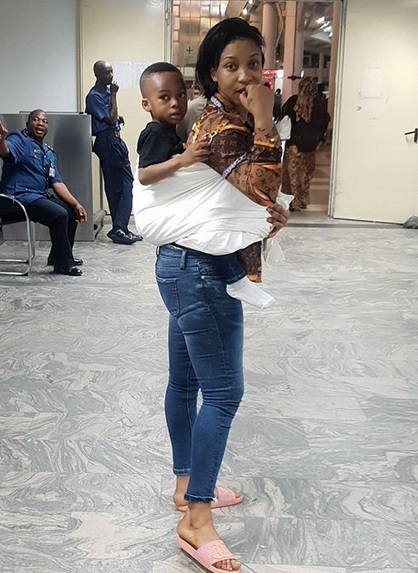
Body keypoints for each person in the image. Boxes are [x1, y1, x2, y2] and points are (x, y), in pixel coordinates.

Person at [152, 18, 289, 573]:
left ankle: (185, 486)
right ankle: (197, 519)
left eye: (254, 64)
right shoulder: (232, 125)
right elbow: (260, 187)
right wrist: (266, 119)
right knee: (225, 392)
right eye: (231, 66)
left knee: (185, 382)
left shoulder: (209, 116)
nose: (245, 75)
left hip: (180, 264)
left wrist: (264, 215)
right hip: (203, 271)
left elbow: (242, 201)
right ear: (212, 72)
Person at [136, 61, 282, 309]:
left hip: (179, 252)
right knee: (212, 233)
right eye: (164, 97)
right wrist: (182, 160)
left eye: (181, 95)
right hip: (184, 251)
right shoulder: (154, 133)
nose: (175, 103)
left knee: (212, 231)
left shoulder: (174, 129)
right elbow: (144, 175)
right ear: (146, 104)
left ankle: (238, 279)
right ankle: (236, 279)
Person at [0, 110, 87, 276]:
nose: (40, 123)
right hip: (17, 199)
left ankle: (58, 256)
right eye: (36, 119)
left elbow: (57, 183)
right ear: (28, 124)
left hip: (38, 197)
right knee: (59, 214)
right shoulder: (18, 139)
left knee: (71, 211)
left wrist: (76, 204)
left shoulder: (48, 152)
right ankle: (64, 264)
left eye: (44, 121)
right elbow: (6, 152)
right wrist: (1, 141)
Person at [85, 60, 142, 245]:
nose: (111, 76)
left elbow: (111, 116)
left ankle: (120, 228)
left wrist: (118, 116)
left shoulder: (105, 92)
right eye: (107, 73)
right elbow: (110, 119)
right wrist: (115, 95)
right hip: (108, 141)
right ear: (97, 74)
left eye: (111, 72)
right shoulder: (94, 95)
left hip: (112, 140)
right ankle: (119, 228)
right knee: (125, 184)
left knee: (116, 186)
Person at [280, 76, 330, 210]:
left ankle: (292, 201)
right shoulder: (319, 104)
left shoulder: (293, 101)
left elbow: (283, 116)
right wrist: (318, 138)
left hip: (294, 144)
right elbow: (325, 122)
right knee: (306, 174)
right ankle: (302, 199)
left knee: (292, 174)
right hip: (311, 146)